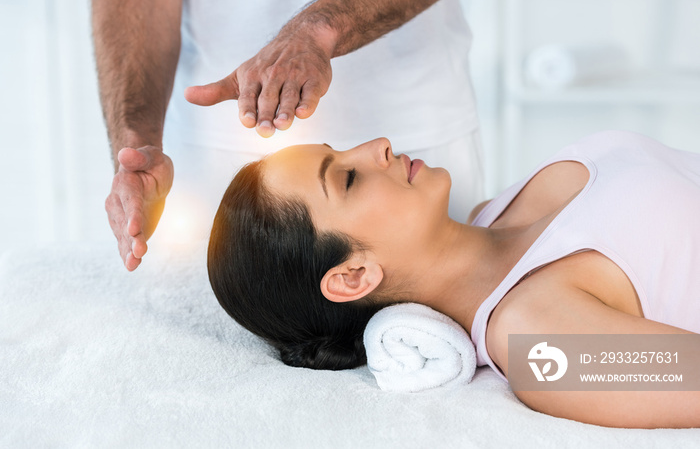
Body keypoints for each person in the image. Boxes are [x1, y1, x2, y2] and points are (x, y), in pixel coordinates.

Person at [207, 130, 700, 428]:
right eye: (347, 178)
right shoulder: (538, 340)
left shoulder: (495, 210)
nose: (377, 145)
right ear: (354, 275)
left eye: (342, 148)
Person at [91, 0, 483, 271]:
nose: (378, 145)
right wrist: (137, 145)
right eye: (344, 178)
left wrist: (320, 30)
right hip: (207, 153)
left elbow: (538, 358)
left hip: (419, 123)